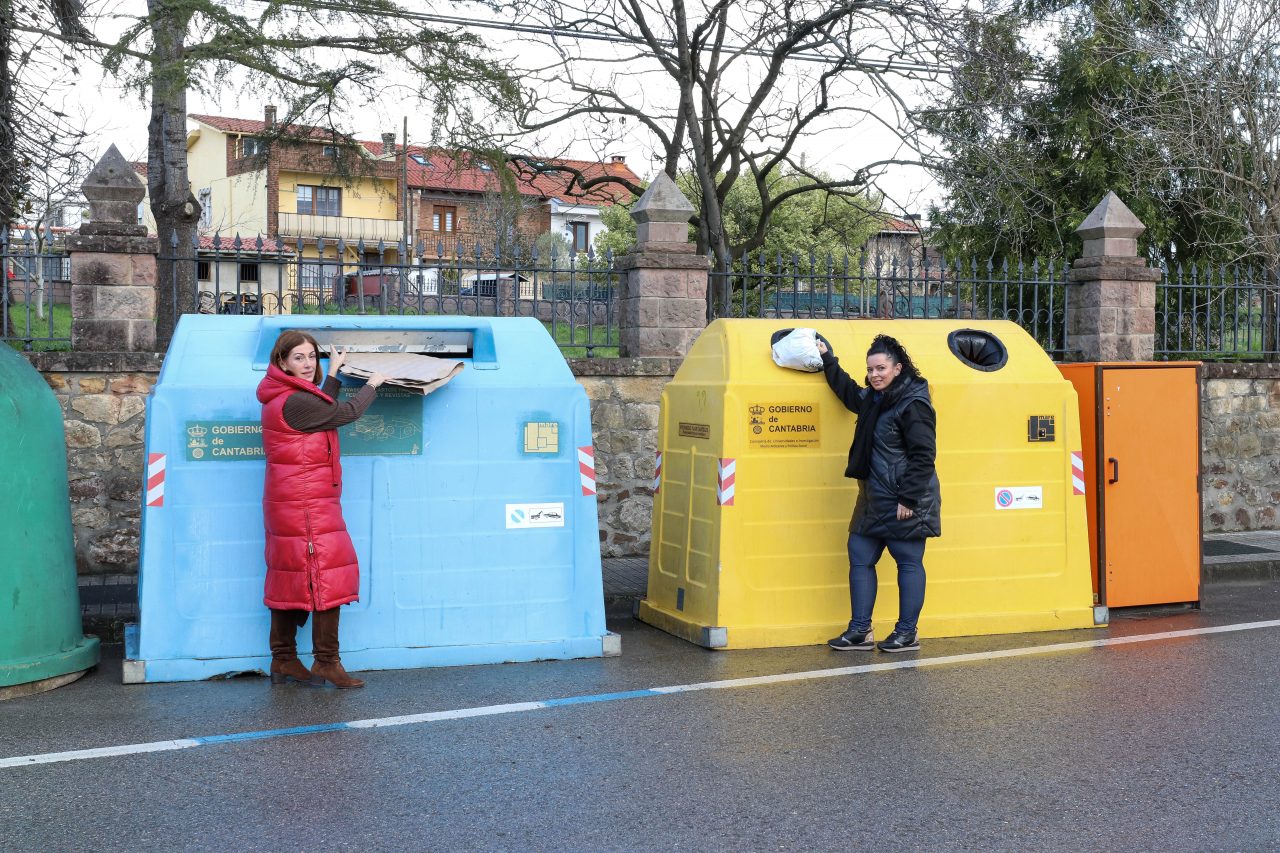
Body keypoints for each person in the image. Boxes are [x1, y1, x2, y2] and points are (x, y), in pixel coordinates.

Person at [257, 330, 387, 688]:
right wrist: (373, 383)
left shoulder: (286, 396)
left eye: (312, 356)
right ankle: (326, 662)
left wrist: (332, 374)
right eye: (299, 358)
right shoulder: (293, 402)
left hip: (300, 500)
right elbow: (344, 413)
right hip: (305, 504)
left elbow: (320, 410)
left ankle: (283, 660)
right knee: (325, 575)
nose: (307, 363)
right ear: (281, 362)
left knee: (292, 577)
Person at [818, 334, 940, 653]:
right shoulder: (874, 399)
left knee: (908, 562)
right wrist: (828, 360)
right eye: (870, 369)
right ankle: (860, 630)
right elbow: (849, 394)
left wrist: (909, 499)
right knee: (859, 556)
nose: (874, 375)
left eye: (881, 368)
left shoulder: (914, 404)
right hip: (873, 498)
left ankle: (907, 632)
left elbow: (924, 454)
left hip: (905, 500)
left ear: (898, 369)